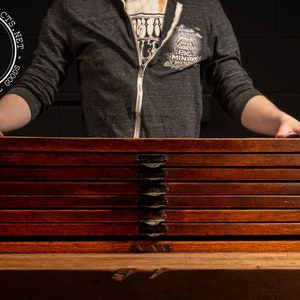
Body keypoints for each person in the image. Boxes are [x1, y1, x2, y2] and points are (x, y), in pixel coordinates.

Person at [0, 0, 300, 138]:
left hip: (179, 178)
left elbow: (234, 86)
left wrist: (280, 121)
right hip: (103, 178)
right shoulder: (74, 8)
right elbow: (38, 84)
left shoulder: (204, 8)